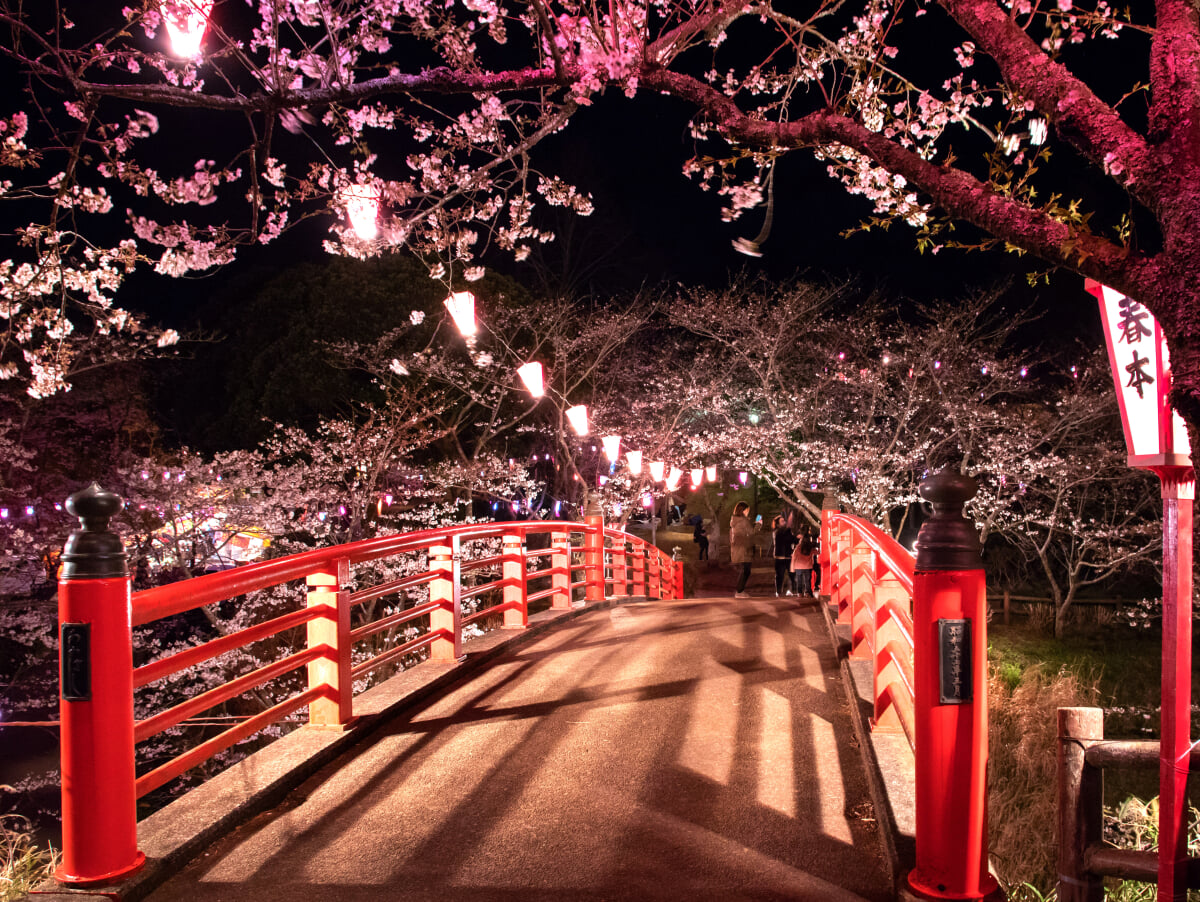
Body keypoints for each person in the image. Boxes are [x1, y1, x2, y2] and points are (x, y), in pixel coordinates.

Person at [729, 501, 753, 598]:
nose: (748, 512)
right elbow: (751, 532)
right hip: (744, 548)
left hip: (738, 548)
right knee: (746, 570)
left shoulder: (735, 520)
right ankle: (739, 591)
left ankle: (740, 591)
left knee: (745, 570)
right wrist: (759, 524)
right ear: (743, 510)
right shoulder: (743, 521)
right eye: (747, 510)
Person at [772, 515, 797, 597]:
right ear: (778, 524)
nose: (785, 522)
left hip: (787, 556)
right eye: (782, 521)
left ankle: (790, 590)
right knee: (780, 575)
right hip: (780, 557)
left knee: (791, 574)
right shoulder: (777, 532)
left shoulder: (787, 531)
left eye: (784, 521)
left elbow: (792, 540)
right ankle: (779, 591)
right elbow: (788, 539)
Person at [792, 526, 816, 597]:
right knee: (807, 581)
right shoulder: (810, 548)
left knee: (799, 580)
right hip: (808, 566)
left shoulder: (798, 547)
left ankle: (800, 593)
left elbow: (794, 556)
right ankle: (807, 592)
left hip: (798, 566)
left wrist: (792, 567)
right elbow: (817, 552)